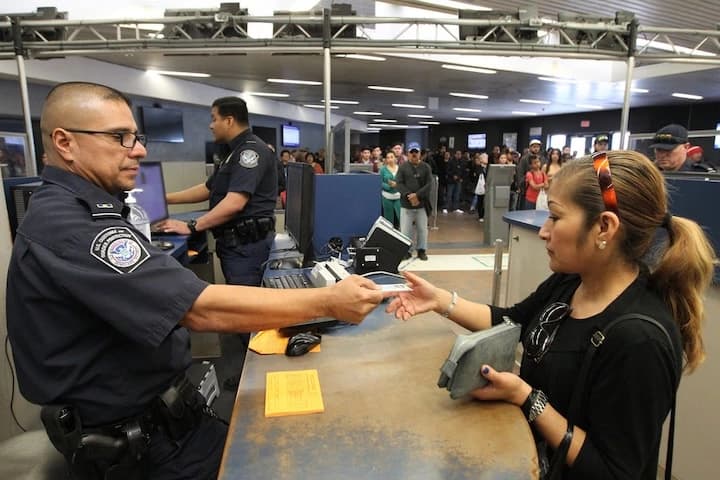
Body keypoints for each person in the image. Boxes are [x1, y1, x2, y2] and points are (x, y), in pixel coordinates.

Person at [6, 82, 386, 480]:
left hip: (162, 424)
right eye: (120, 138)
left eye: (137, 137)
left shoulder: (86, 212)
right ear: (65, 143)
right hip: (146, 447)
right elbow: (200, 308)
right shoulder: (73, 225)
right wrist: (327, 302)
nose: (139, 150)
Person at [387, 150, 715, 479]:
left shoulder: (640, 340)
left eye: (555, 217)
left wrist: (527, 398)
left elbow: (614, 470)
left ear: (604, 226)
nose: (544, 231)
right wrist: (440, 300)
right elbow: (513, 321)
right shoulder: (571, 281)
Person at [395, 142, 432, 261]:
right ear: (408, 154)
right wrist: (409, 195)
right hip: (406, 205)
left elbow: (429, 184)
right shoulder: (403, 167)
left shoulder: (426, 167)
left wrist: (417, 195)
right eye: (412, 152)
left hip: (422, 204)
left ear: (420, 153)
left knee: (422, 229)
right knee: (406, 229)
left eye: (416, 152)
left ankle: (421, 250)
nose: (414, 155)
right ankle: (407, 250)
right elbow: (399, 184)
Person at [649, 124, 714, 172]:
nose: (662, 155)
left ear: (686, 147)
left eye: (668, 149)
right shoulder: (650, 172)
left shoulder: (701, 174)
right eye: (658, 149)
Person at [379, 150, 401, 228]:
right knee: (388, 220)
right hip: (386, 196)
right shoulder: (382, 169)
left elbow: (404, 181)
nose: (390, 159)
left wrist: (397, 185)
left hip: (398, 196)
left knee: (400, 217)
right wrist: (389, 186)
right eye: (388, 158)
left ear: (395, 158)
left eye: (392, 157)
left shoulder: (400, 169)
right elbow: (379, 182)